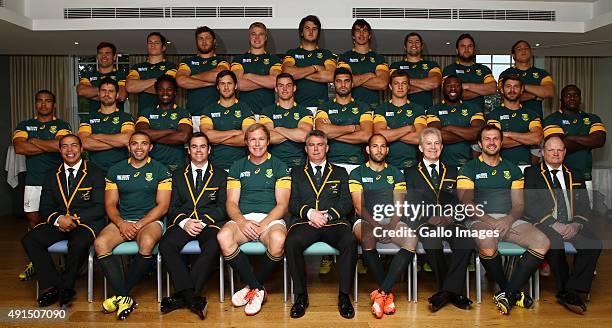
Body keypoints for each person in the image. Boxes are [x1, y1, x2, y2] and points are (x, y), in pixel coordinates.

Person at [457, 125, 550, 315]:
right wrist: (492, 222)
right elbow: (466, 201)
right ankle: (510, 290)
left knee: (542, 242)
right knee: (486, 240)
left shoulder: (513, 169)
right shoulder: (469, 167)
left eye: (495, 139)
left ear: (501, 142)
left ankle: (507, 292)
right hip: (479, 219)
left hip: (509, 219)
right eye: (487, 139)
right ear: (479, 143)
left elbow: (518, 205)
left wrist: (507, 220)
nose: (491, 142)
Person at [22, 134, 106, 308]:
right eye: (65, 146)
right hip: (59, 222)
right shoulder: (52, 174)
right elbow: (44, 206)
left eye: (74, 146)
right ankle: (54, 286)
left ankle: (67, 288)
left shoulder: (95, 172)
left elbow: (100, 207)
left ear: (81, 149)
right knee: (30, 239)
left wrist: (74, 219)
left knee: (77, 243)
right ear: (60, 151)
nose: (70, 150)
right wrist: (59, 219)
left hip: (86, 223)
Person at [94, 132, 172, 320]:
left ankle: (121, 294)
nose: (139, 147)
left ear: (150, 147)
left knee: (146, 242)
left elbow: (162, 206)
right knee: (100, 244)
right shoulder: (115, 170)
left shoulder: (161, 170)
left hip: (150, 221)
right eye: (134, 144)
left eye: (144, 144)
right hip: (123, 219)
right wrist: (121, 223)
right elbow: (110, 204)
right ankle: (125, 296)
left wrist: (137, 225)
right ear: (128, 147)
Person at [217, 124, 291, 316]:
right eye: (252, 139)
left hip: (270, 219)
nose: (257, 144)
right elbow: (231, 203)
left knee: (279, 241)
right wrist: (242, 222)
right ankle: (258, 288)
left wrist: (263, 224)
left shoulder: (279, 166)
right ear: (246, 142)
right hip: (244, 218)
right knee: (224, 236)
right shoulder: (237, 167)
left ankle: (250, 287)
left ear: (268, 141)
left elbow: (282, 205)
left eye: (261, 139)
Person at [524, 136, 601, 314]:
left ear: (565, 152)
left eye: (560, 149)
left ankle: (571, 290)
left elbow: (584, 205)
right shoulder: (532, 173)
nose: (556, 153)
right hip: (546, 223)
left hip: (571, 223)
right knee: (554, 241)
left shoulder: (575, 173)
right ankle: (566, 290)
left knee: (593, 243)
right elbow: (530, 204)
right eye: (551, 150)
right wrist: (554, 224)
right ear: (542, 152)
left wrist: (577, 225)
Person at [285, 130, 357, 319]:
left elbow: (346, 203)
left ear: (327, 147)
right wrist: (310, 213)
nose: (316, 148)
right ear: (306, 149)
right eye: (311, 145)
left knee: (349, 240)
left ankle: (344, 296)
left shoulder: (340, 172)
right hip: (305, 222)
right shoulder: (296, 173)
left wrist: (328, 216)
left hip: (333, 223)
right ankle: (301, 296)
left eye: (319, 144)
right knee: (291, 242)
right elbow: (292, 203)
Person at [158, 133, 227, 319]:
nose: (198, 150)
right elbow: (171, 207)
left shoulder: (221, 175)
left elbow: (222, 208)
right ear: (188, 150)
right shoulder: (177, 174)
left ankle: (181, 297)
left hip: (209, 223)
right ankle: (191, 297)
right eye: (194, 146)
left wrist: (203, 221)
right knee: (166, 245)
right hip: (184, 222)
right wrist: (185, 222)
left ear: (209, 149)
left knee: (213, 245)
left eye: (202, 146)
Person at [405, 128, 474, 312]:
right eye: (428, 143)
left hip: (450, 221)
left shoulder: (452, 171)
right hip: (425, 222)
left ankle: (445, 293)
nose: (433, 147)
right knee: (433, 241)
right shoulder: (410, 173)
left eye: (436, 143)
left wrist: (451, 216)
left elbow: (460, 201)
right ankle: (453, 292)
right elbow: (410, 205)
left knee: (466, 240)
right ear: (420, 147)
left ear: (442, 147)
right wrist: (429, 217)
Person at [350, 134, 415, 319]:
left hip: (391, 220)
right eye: (375, 146)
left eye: (382, 146)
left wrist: (392, 225)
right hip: (365, 220)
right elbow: (358, 206)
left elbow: (399, 205)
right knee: (368, 236)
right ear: (367, 149)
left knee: (411, 238)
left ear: (387, 150)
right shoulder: (357, 173)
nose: (379, 150)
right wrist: (377, 226)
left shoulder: (396, 173)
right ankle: (387, 293)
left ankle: (382, 292)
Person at [13, 90, 72, 281]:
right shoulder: (24, 125)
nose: (44, 105)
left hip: (57, 182)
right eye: (40, 101)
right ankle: (37, 261)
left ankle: (65, 259)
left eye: (48, 101)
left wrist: (35, 141)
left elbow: (61, 146)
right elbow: (20, 147)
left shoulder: (62, 125)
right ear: (35, 104)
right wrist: (50, 144)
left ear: (54, 105)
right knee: (34, 219)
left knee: (59, 219)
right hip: (33, 181)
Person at [543, 85, 606, 187]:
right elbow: (557, 147)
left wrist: (570, 138)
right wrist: (588, 142)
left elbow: (600, 140)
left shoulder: (592, 118)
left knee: (586, 203)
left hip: (585, 176)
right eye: (568, 95)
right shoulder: (552, 119)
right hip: (559, 177)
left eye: (576, 95)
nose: (572, 98)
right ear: (561, 99)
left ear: (580, 99)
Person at [199, 70, 256, 171]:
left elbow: (249, 138)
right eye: (222, 84)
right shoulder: (209, 109)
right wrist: (235, 132)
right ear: (217, 87)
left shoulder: (245, 108)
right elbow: (207, 136)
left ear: (235, 86)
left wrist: (217, 139)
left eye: (229, 83)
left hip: (241, 166)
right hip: (214, 166)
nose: (226, 87)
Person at [136, 75, 193, 172]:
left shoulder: (183, 112)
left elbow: (183, 137)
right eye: (161, 89)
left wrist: (151, 137)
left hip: (176, 165)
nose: (165, 93)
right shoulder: (146, 112)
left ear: (175, 92)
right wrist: (170, 131)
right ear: (156, 92)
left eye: (169, 89)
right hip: (150, 165)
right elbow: (141, 135)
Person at [176, 26, 230, 128]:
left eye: (207, 38)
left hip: (216, 115)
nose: (204, 41)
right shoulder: (187, 62)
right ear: (196, 41)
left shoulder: (222, 60)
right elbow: (181, 81)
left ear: (213, 41)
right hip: (193, 115)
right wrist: (211, 82)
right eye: (200, 38)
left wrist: (192, 77)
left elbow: (219, 75)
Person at [77, 78, 134, 172]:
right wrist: (117, 143)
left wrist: (97, 136)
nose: (107, 94)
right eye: (103, 91)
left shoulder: (126, 117)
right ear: (98, 94)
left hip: (121, 170)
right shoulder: (88, 118)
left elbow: (127, 139)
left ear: (117, 95)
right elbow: (84, 143)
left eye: (111, 91)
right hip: (94, 170)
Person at [427, 75, 484, 168]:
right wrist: (469, 136)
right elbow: (436, 137)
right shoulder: (433, 110)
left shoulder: (474, 108)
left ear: (461, 88)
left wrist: (449, 128)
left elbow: (478, 133)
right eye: (449, 85)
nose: (453, 88)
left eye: (457, 85)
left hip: (469, 166)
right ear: (443, 88)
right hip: (442, 166)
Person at [373, 69, 426, 169]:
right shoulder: (381, 109)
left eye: (404, 83)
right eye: (396, 83)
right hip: (386, 166)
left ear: (408, 86)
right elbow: (379, 136)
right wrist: (408, 129)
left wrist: (390, 133)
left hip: (412, 166)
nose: (400, 87)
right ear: (390, 86)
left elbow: (419, 138)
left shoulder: (418, 109)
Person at [486, 75, 543, 168]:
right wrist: (527, 139)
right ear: (502, 90)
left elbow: (537, 138)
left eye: (516, 87)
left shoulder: (532, 114)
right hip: (500, 166)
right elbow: (495, 142)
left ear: (521, 90)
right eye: (508, 86)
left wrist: (508, 134)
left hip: (526, 167)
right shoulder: (494, 114)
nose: (512, 90)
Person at [259, 73, 313, 168]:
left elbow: (303, 136)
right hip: (273, 165)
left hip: (299, 165)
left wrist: (278, 128)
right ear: (276, 89)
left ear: (294, 88)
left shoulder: (305, 112)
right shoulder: (267, 111)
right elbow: (267, 138)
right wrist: (294, 131)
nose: (284, 89)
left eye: (288, 85)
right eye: (281, 85)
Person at [282, 15, 336, 110]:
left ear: (318, 32)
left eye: (314, 29)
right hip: (297, 108)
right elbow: (287, 72)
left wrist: (299, 73)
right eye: (307, 28)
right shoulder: (292, 53)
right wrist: (315, 68)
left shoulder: (326, 54)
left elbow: (331, 76)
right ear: (301, 32)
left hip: (322, 108)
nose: (311, 32)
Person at [232, 22, 283, 114]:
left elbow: (276, 81)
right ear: (249, 37)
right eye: (253, 34)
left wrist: (249, 76)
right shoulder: (239, 59)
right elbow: (237, 84)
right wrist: (265, 82)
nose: (257, 38)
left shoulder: (274, 59)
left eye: (261, 34)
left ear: (266, 38)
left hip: (268, 113)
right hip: (244, 113)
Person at [337, 19, 389, 108]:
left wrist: (354, 79)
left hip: (372, 108)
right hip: (350, 108)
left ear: (369, 35)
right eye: (358, 31)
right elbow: (344, 82)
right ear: (353, 36)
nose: (361, 34)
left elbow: (382, 84)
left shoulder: (379, 58)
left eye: (364, 31)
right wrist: (369, 75)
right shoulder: (344, 57)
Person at [499, 40, 555, 118]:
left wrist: (521, 86)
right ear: (513, 55)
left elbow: (549, 92)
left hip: (535, 118)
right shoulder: (505, 74)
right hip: (510, 118)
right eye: (519, 49)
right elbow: (506, 97)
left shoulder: (542, 73)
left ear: (531, 53)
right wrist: (535, 96)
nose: (523, 50)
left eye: (526, 48)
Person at [442, 34, 496, 113]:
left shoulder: (484, 69)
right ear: (457, 50)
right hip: (454, 115)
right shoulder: (449, 69)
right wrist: (481, 91)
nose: (466, 49)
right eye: (463, 46)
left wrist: (466, 86)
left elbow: (492, 88)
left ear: (474, 50)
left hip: (478, 116)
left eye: (470, 46)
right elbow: (455, 95)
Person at [126, 32, 177, 115]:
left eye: (156, 43)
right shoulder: (136, 67)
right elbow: (130, 87)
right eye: (150, 42)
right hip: (143, 116)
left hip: (167, 115)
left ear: (163, 47)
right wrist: (157, 80)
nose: (152, 45)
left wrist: (140, 87)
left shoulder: (171, 67)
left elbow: (167, 90)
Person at [390, 32, 442, 109]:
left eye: (417, 42)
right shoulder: (395, 66)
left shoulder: (432, 65)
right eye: (410, 42)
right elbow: (394, 88)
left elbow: (435, 83)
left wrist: (404, 83)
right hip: (400, 111)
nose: (414, 44)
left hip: (426, 111)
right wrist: (425, 87)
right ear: (405, 47)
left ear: (421, 46)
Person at [76, 42, 128, 112]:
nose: (104, 56)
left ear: (114, 56)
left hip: (116, 119)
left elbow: (121, 96)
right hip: (93, 119)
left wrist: (91, 94)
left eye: (107, 53)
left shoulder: (120, 74)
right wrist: (111, 94)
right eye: (100, 53)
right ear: (97, 56)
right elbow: (81, 91)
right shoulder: (89, 74)